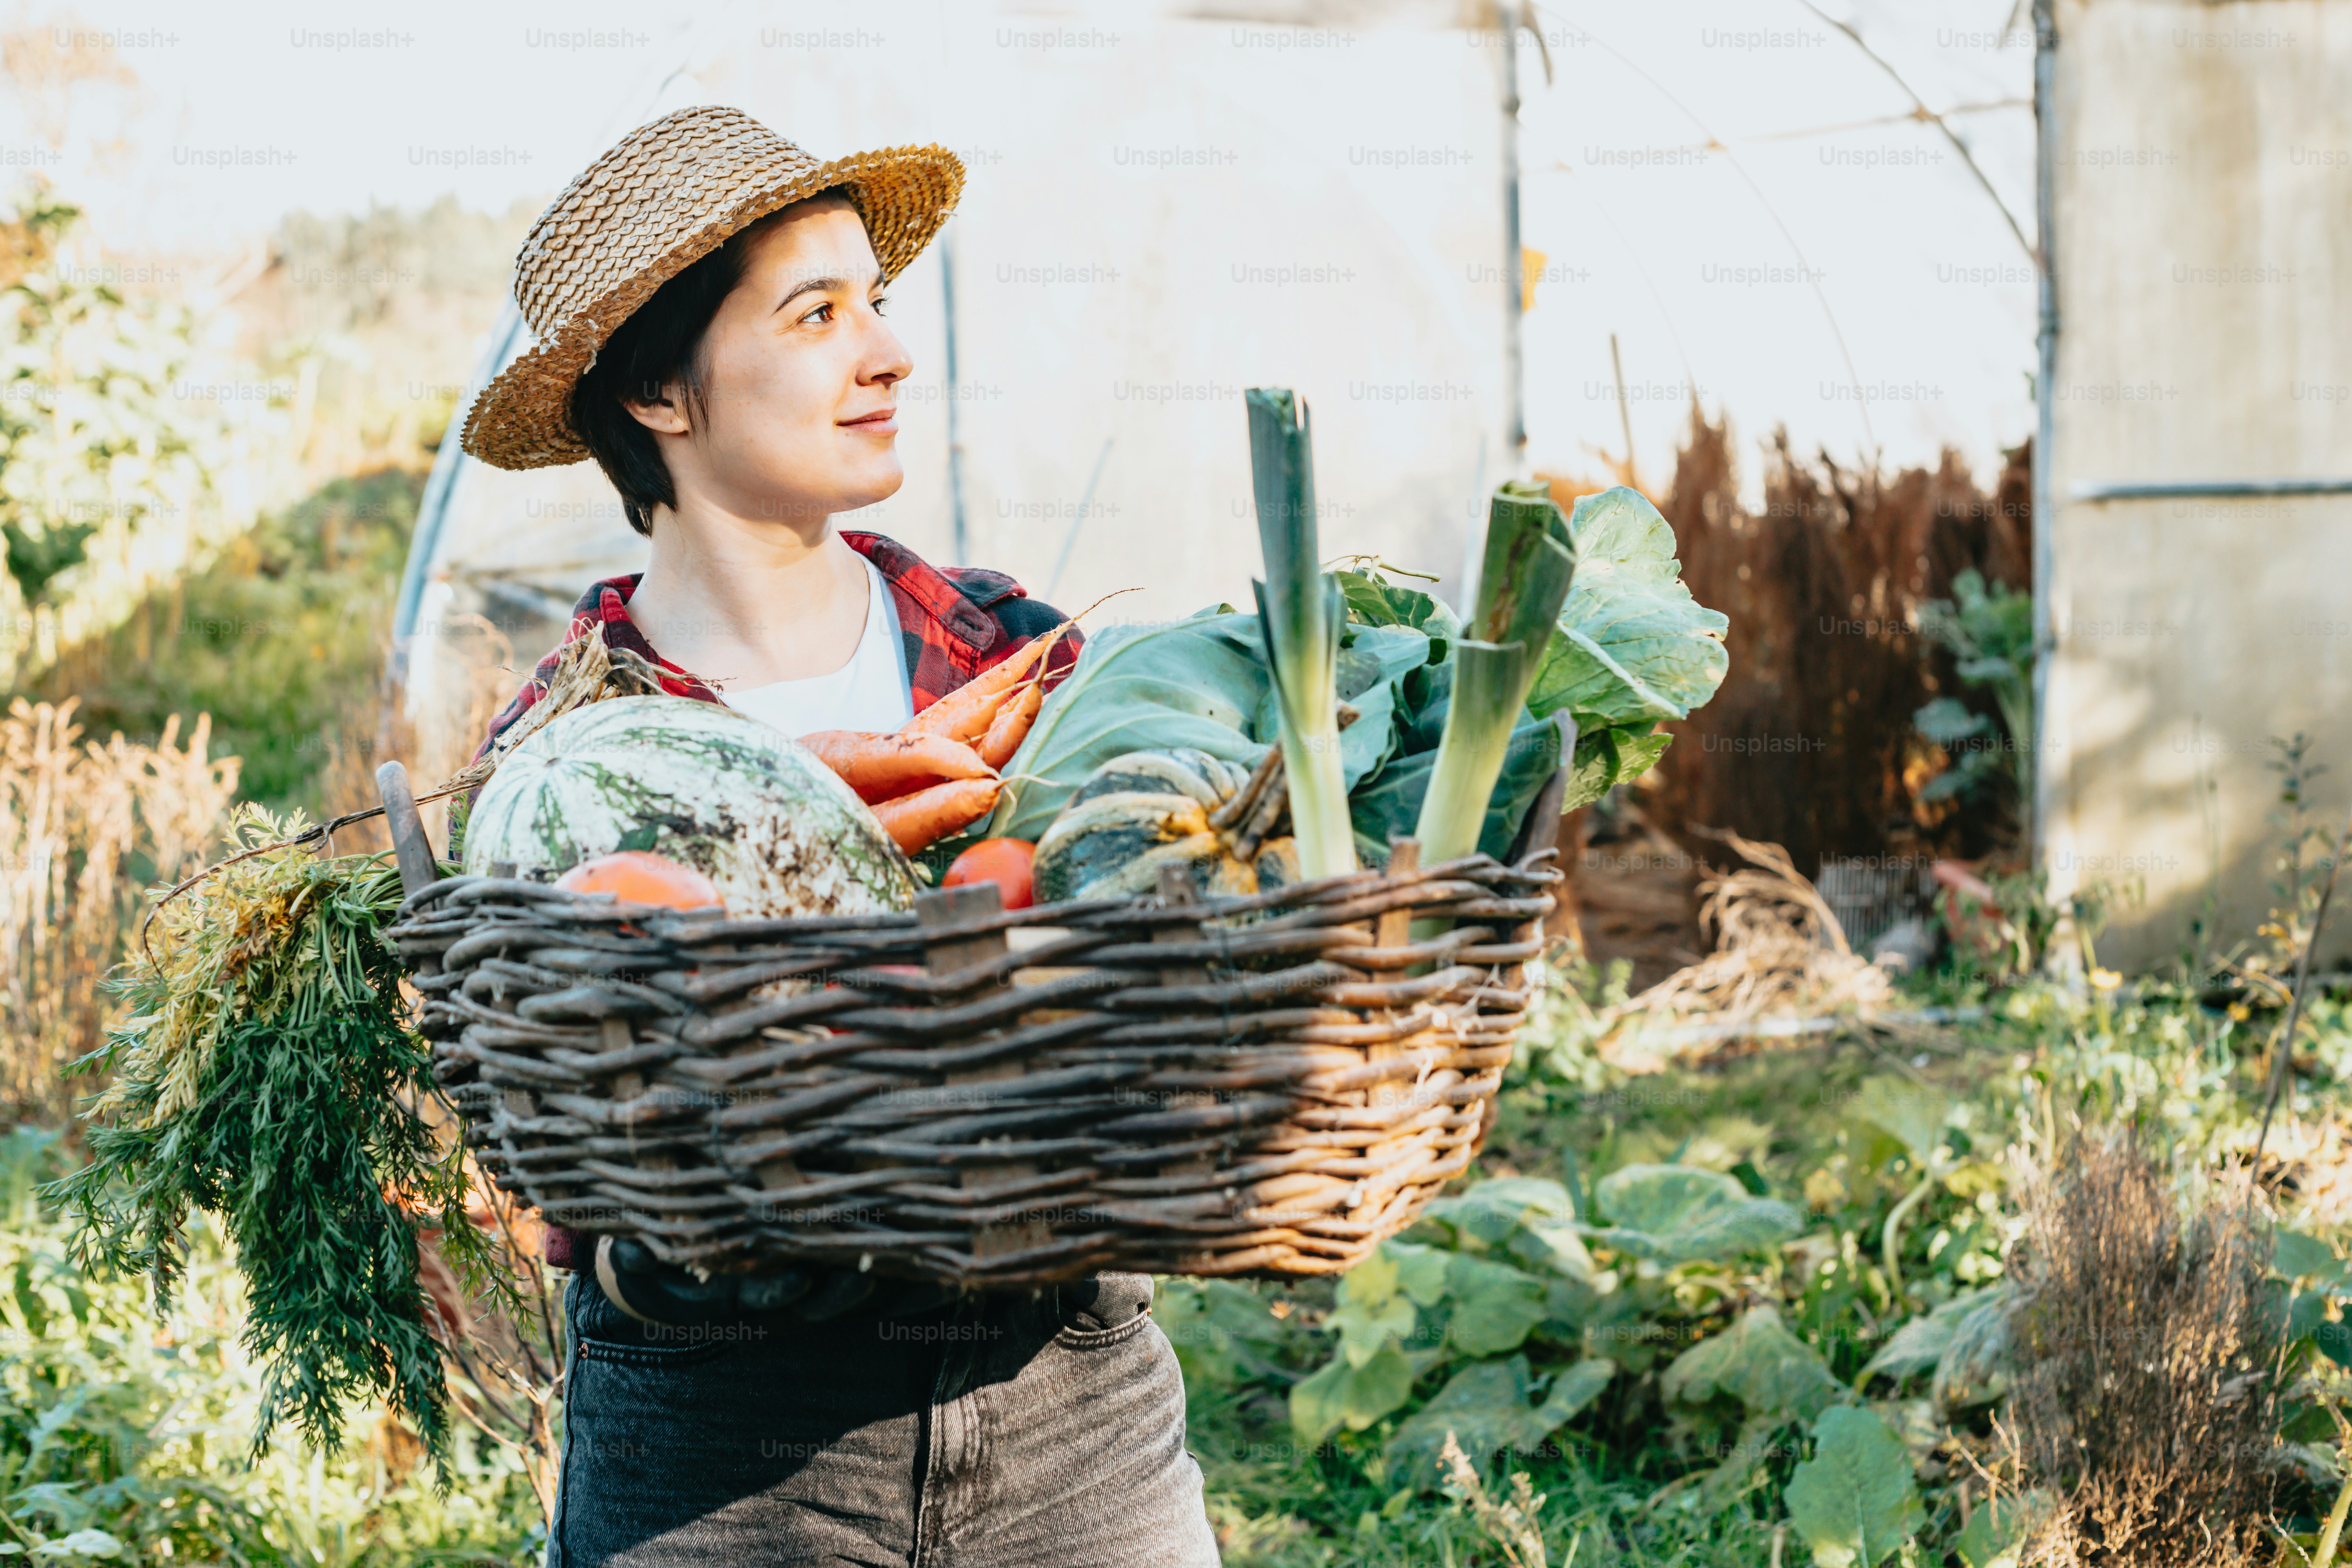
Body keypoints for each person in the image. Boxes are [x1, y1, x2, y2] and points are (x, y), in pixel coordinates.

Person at [454, 105, 1220, 1568]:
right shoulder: (553, 767)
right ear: (664, 394)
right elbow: (565, 1172)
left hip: (1074, 1409)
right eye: (818, 313)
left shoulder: (1023, 661)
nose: (886, 352)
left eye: (875, 303)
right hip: (719, 1457)